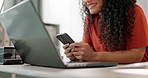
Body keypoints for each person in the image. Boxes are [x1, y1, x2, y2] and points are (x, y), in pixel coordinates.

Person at [63, 0, 148, 63]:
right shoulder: (90, 19)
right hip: (106, 70)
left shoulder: (133, 12)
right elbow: (90, 50)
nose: (86, 1)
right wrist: (80, 54)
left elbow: (136, 55)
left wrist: (94, 56)